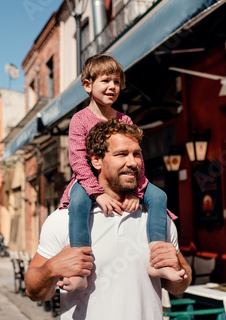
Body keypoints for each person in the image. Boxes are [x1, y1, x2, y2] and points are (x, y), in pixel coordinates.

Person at [24, 120, 192, 319]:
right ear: (96, 160)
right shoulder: (63, 219)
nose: (132, 162)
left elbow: (179, 285)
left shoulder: (157, 217)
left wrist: (179, 268)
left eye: (136, 154)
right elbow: (34, 292)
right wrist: (51, 268)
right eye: (121, 154)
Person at [60, 54, 184, 290]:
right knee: (77, 204)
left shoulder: (125, 119)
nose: (112, 87)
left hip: (128, 181)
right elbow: (77, 159)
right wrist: (97, 193)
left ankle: (158, 259)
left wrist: (135, 191)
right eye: (106, 81)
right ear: (87, 85)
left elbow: (136, 156)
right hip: (87, 179)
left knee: (158, 196)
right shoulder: (79, 119)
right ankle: (79, 270)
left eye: (117, 82)